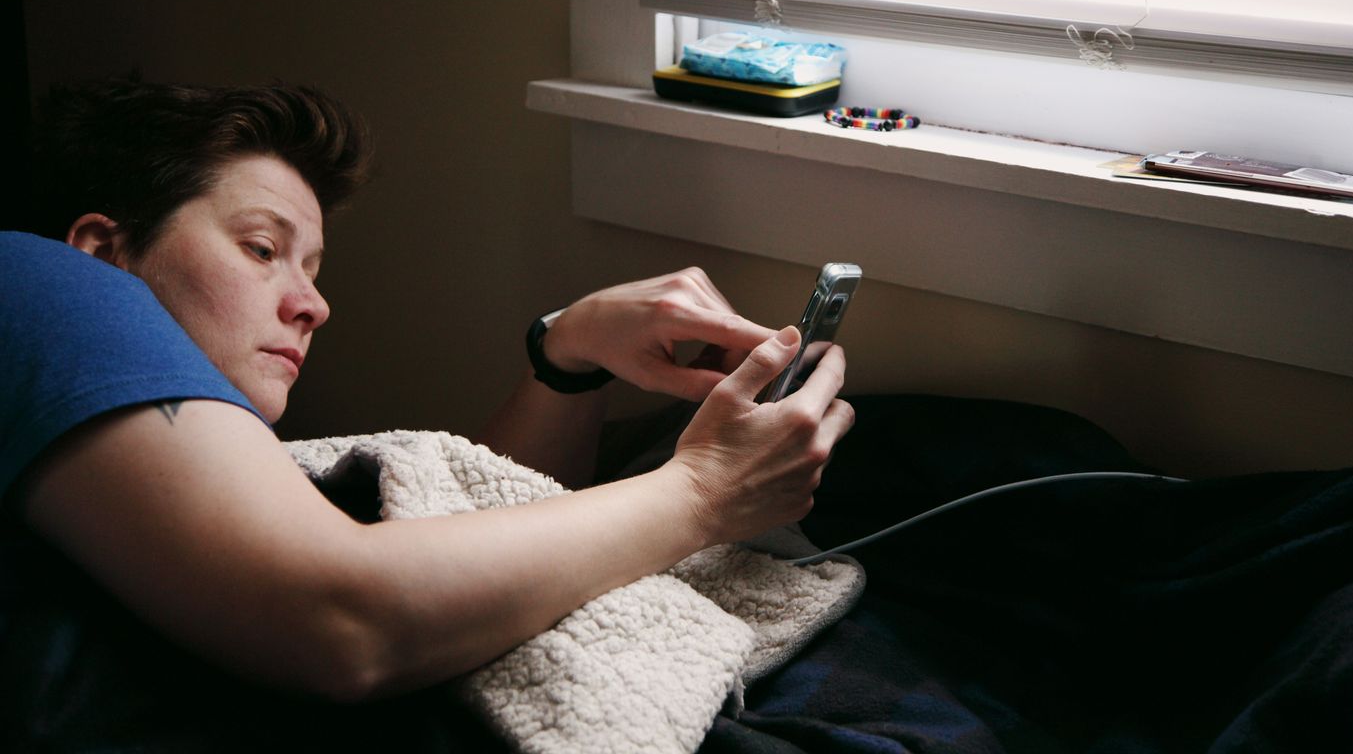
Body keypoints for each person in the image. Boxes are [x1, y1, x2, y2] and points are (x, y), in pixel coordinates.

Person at [1, 79, 854, 746]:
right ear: (103, 250)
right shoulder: (41, 278)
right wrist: (701, 493)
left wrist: (566, 359)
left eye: (315, 268)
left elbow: (451, 540)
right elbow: (342, 618)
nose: (314, 305)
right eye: (262, 249)